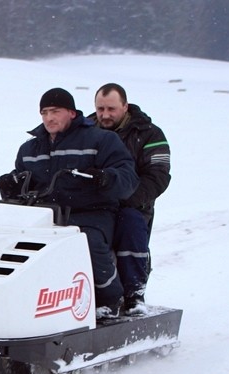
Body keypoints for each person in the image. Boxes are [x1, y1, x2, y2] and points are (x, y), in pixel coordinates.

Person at [0, 87, 139, 319]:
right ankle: (20, 297)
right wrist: (10, 183)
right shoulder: (29, 148)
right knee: (13, 244)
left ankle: (110, 297)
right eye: (44, 112)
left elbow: (128, 178)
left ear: (72, 113)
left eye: (55, 111)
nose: (49, 118)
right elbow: (22, 177)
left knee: (86, 242)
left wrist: (104, 178)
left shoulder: (101, 140)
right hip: (43, 214)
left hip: (90, 212)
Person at [90, 83, 171, 315]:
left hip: (132, 204)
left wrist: (126, 198)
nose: (105, 115)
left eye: (111, 109)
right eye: (100, 108)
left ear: (125, 106)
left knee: (130, 224)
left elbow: (158, 176)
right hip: (93, 205)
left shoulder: (149, 133)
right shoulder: (87, 130)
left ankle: (134, 293)